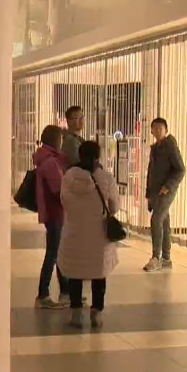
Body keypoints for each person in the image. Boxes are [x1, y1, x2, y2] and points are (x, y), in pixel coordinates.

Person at [59, 140, 120, 329]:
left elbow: (64, 202)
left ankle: (76, 315)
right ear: (98, 156)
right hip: (99, 234)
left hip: (74, 233)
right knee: (98, 273)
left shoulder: (68, 177)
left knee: (76, 274)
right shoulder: (106, 178)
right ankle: (96, 314)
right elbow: (114, 207)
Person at [33, 124, 70, 309]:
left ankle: (65, 291)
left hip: (53, 212)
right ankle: (43, 293)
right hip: (55, 212)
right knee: (53, 253)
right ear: (56, 140)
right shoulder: (50, 162)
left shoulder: (47, 159)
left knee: (57, 252)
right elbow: (59, 190)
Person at [144, 117, 186, 272]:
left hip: (166, 190)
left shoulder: (170, 146)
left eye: (160, 128)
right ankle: (166, 258)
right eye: (154, 128)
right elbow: (151, 171)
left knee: (156, 220)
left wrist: (168, 186)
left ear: (166, 130)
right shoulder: (155, 148)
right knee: (164, 221)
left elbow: (180, 169)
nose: (157, 131)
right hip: (156, 190)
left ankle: (156, 257)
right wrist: (148, 191)